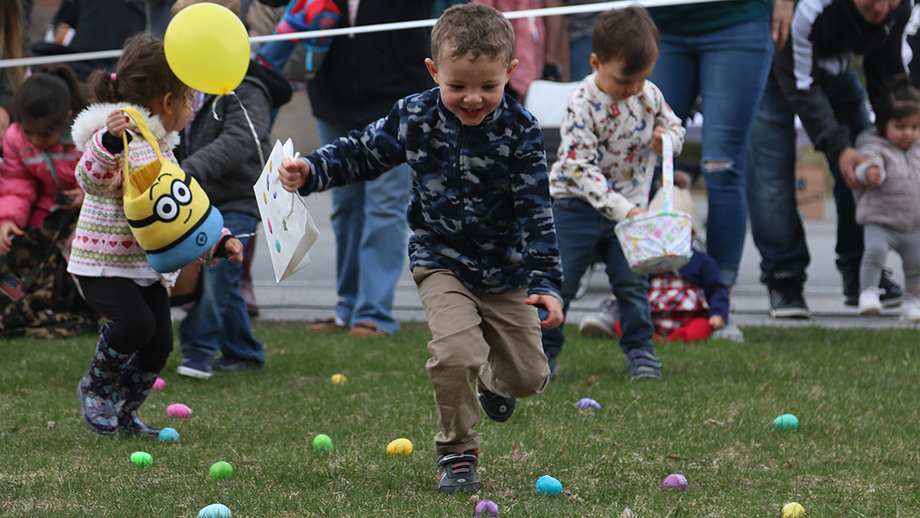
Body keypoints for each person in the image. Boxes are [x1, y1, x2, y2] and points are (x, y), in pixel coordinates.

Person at [278, 3, 563, 494]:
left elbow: (538, 212)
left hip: (506, 270)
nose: (473, 98)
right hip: (441, 261)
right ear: (434, 72)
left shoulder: (521, 131)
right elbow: (363, 151)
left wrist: (545, 283)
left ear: (509, 73)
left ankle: (493, 384)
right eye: (458, 86)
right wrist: (312, 170)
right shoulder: (414, 115)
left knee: (528, 377)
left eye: (488, 87)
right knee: (455, 353)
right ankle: (457, 454)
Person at [69, 34, 243, 437]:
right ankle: (96, 387)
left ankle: (126, 411)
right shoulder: (120, 137)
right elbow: (90, 179)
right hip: (102, 262)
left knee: (159, 341)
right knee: (134, 326)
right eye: (189, 99)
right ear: (168, 102)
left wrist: (216, 240)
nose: (192, 108)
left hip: (143, 266)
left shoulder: (161, 144)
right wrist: (109, 142)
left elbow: (178, 209)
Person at [541, 5, 684, 380]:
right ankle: (542, 354)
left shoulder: (648, 95)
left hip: (629, 213)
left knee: (632, 286)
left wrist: (667, 140)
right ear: (595, 62)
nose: (632, 90)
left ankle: (640, 351)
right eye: (624, 81)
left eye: (641, 80)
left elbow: (675, 126)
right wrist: (624, 209)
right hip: (575, 205)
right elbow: (579, 168)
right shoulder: (582, 104)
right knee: (560, 283)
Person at [747, 0, 910, 319]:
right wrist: (838, 148)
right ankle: (784, 277)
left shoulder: (899, 8)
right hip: (776, 72)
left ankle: (859, 271)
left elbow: (886, 68)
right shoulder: (812, 7)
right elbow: (800, 82)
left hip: (835, 72)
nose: (880, 7)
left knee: (869, 164)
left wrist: (896, 128)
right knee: (772, 177)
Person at [645, 0, 792, 337]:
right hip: (661, 21)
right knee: (648, 161)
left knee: (722, 165)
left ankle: (719, 303)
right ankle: (633, 292)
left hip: (737, 20)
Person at [303, 0, 434, 338]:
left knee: (385, 205)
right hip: (333, 97)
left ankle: (374, 313)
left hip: (396, 96)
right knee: (345, 207)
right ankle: (348, 307)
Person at [174, 13, 293, 379]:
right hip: (197, 200)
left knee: (221, 271)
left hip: (237, 199)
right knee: (222, 278)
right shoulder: (186, 88)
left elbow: (244, 138)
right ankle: (243, 352)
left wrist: (187, 170)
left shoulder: (247, 87)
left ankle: (197, 348)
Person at [0, 65, 99, 337]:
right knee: (13, 250)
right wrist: (7, 221)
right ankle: (19, 301)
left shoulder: (90, 136)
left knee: (73, 251)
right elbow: (16, 182)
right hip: (44, 209)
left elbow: (108, 176)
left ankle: (79, 306)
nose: (34, 141)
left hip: (89, 211)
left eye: (44, 135)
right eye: (28, 133)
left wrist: (86, 195)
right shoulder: (15, 138)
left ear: (67, 118)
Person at [586, 171, 730, 342]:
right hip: (652, 315)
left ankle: (680, 337)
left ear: (691, 233)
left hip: (689, 317)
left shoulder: (703, 262)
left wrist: (718, 313)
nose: (668, 236)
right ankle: (649, 335)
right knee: (625, 323)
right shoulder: (647, 260)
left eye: (676, 230)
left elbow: (717, 290)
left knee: (702, 326)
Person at [851, 75, 920, 320]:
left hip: (913, 225)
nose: (907, 134)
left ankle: (913, 301)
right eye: (900, 127)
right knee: (875, 252)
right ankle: (868, 293)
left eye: (914, 127)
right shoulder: (875, 145)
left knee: (916, 265)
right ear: (883, 124)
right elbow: (864, 163)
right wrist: (869, 172)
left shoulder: (918, 149)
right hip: (880, 221)